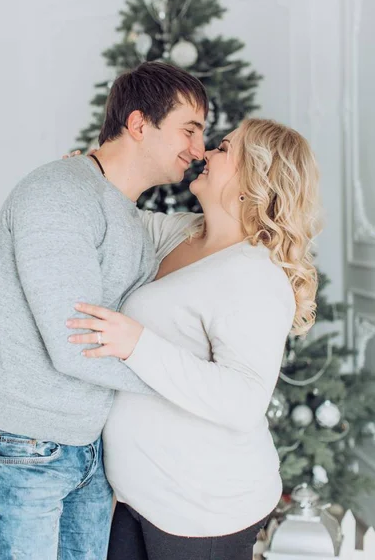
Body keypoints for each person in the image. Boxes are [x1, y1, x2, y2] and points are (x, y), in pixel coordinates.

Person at [67, 118, 321, 560]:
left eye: (224, 148)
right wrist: (88, 177)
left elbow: (243, 400)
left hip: (203, 512)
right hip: (142, 497)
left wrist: (136, 344)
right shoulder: (185, 233)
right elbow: (121, 222)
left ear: (253, 179)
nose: (205, 153)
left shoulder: (255, 276)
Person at [0, 61, 207, 560]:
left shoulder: (127, 213)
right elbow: (75, 351)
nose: (198, 150)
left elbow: (213, 234)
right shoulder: (59, 196)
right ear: (138, 124)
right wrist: (194, 382)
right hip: (30, 451)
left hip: (87, 450)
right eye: (190, 130)